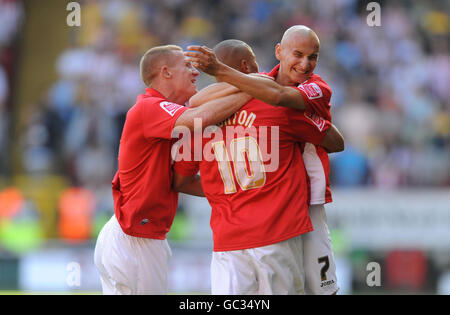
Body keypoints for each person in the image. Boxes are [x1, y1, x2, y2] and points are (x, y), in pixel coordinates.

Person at [174, 39, 344, 294]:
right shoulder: (280, 109)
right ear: (247, 65)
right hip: (276, 232)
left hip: (227, 240)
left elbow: (181, 181)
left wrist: (226, 192)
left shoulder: (198, 122)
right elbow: (335, 142)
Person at [93, 45, 254, 295]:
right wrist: (257, 90)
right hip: (135, 237)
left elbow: (181, 182)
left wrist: (235, 192)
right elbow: (201, 117)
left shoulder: (168, 117)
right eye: (187, 66)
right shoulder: (150, 107)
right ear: (165, 73)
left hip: (142, 236)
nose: (195, 72)